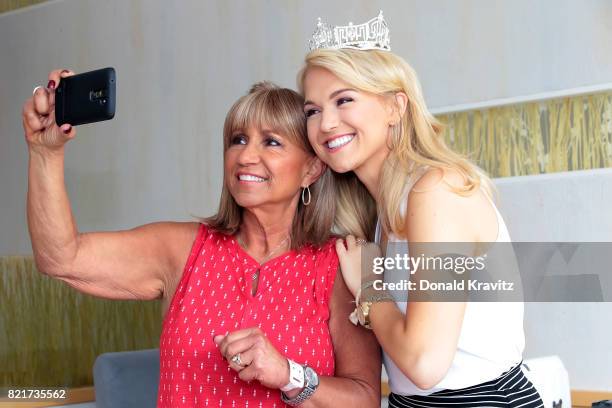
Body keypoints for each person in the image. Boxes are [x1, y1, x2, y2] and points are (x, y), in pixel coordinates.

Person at [22, 70, 381, 407]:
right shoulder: (181, 249)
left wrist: (289, 375)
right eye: (237, 140)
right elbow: (60, 258)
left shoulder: (348, 261)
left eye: (271, 142)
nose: (245, 155)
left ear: (311, 169)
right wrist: (45, 152)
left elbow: (364, 397)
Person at [298, 12, 544, 408]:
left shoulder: (435, 191)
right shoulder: (384, 213)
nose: (325, 123)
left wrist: (368, 285)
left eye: (344, 100)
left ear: (395, 107)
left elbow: (425, 363)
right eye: (312, 110)